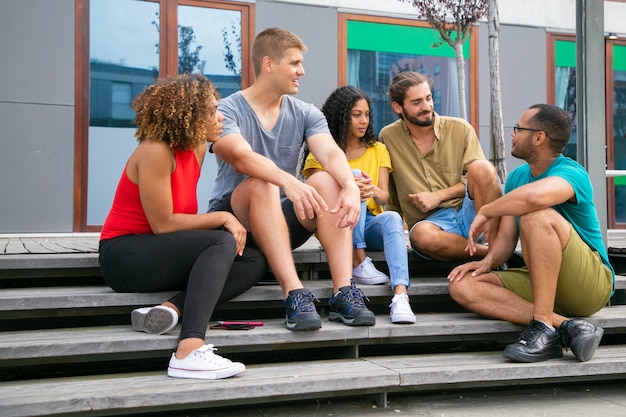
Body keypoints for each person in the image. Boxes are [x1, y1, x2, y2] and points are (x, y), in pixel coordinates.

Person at [99, 74, 267, 379]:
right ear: (188, 114)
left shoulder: (198, 148)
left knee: (253, 258)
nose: (221, 118)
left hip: (158, 251)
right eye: (213, 111)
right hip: (124, 255)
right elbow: (163, 224)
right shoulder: (155, 150)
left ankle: (170, 309)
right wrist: (224, 218)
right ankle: (187, 350)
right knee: (222, 240)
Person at [207, 27, 375, 330]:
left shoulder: (306, 112)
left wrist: (350, 186)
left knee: (328, 180)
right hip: (235, 221)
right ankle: (294, 293)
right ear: (269, 64)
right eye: (294, 64)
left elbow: (329, 153)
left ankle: (343, 291)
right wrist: (289, 181)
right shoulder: (227, 109)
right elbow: (241, 158)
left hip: (281, 220)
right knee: (262, 183)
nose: (302, 71)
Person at [447, 104, 614, 363]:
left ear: (538, 137)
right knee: (463, 285)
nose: (512, 134)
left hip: (588, 283)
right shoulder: (517, 177)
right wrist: (486, 262)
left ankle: (544, 326)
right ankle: (569, 327)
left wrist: (488, 210)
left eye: (518, 129)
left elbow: (535, 197)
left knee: (536, 214)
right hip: (540, 278)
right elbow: (505, 239)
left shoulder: (572, 173)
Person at [302, 86, 416, 324]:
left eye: (366, 114)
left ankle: (401, 296)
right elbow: (317, 198)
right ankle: (358, 259)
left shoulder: (378, 149)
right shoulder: (323, 151)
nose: (364, 121)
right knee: (351, 178)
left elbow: (384, 197)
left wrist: (370, 189)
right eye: (356, 114)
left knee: (392, 217)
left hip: (370, 222)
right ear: (341, 115)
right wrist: (351, 186)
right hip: (337, 224)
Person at [378, 71, 503, 262]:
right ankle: (493, 256)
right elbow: (392, 195)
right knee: (421, 236)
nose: (426, 106)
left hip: (471, 212)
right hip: (431, 226)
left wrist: (438, 196)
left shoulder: (460, 129)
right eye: (416, 102)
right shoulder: (388, 137)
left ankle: (495, 245)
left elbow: (480, 180)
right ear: (398, 107)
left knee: (483, 168)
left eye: (428, 98)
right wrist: (393, 233)